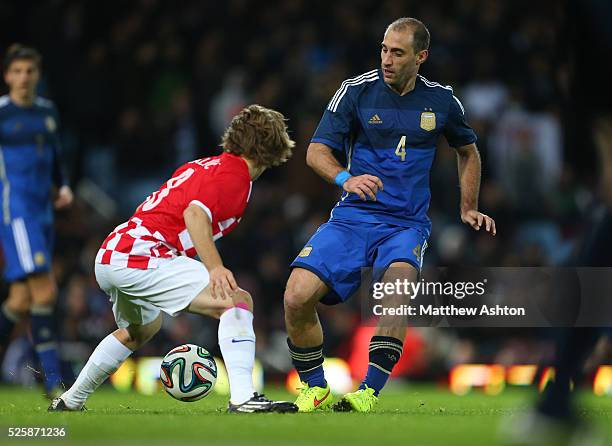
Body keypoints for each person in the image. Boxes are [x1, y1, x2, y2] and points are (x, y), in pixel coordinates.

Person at [283, 17, 496, 413]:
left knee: (395, 298)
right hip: (352, 218)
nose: (387, 59)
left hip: (405, 225)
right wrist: (345, 178)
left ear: (421, 56)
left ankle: (368, 392)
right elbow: (315, 152)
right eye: (384, 49)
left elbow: (468, 151)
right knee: (296, 296)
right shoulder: (355, 92)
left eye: (397, 53)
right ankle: (314, 386)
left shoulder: (442, 101)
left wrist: (468, 207)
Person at [49, 105, 297, 413]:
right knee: (237, 301)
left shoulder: (206, 165)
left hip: (115, 250)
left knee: (141, 330)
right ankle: (244, 397)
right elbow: (195, 215)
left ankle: (72, 400)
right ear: (273, 146)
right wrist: (215, 267)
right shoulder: (236, 177)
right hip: (143, 252)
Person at [0, 44, 73, 397]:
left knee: (19, 300)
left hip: (42, 211)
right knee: (45, 290)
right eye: (17, 71)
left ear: (37, 75)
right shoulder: (1, 112)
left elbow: (56, 154)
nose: (24, 77)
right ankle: (54, 382)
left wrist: (64, 186)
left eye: (29, 71)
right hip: (17, 212)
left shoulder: (47, 112)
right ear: (7, 76)